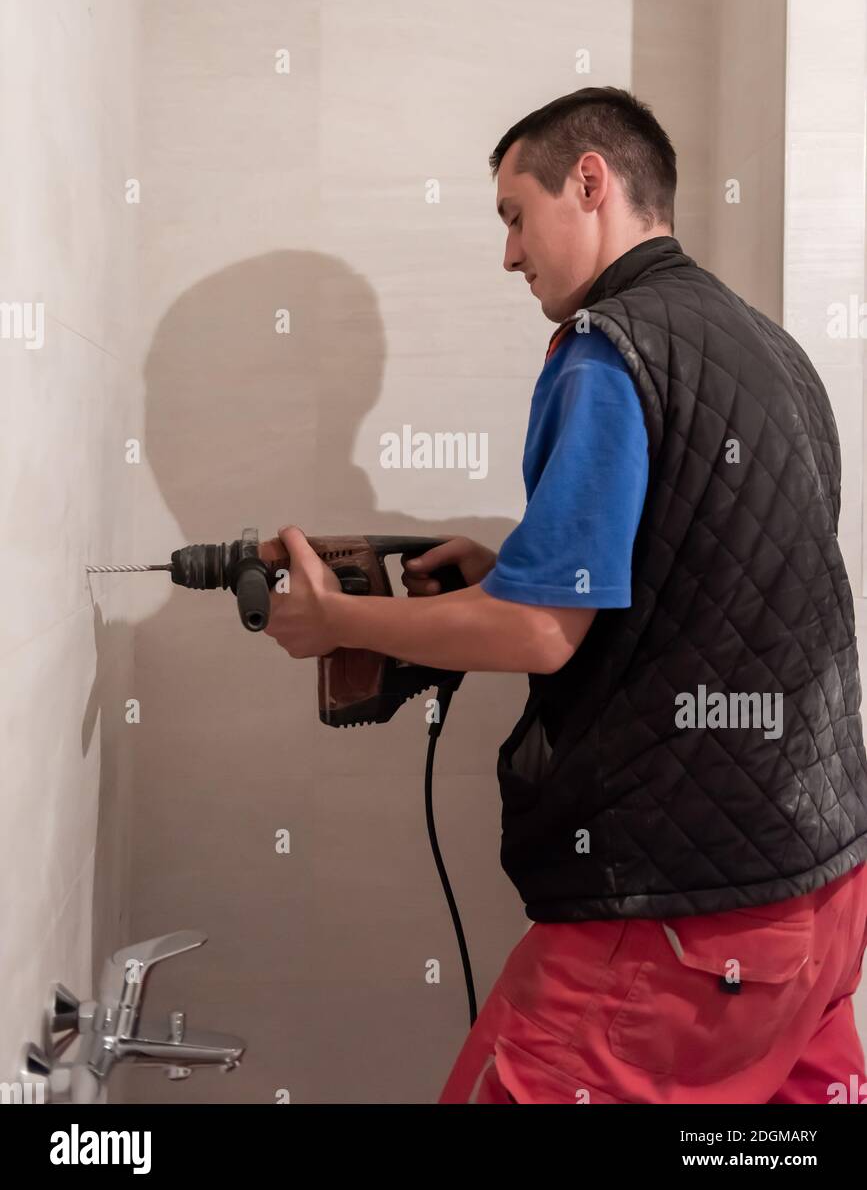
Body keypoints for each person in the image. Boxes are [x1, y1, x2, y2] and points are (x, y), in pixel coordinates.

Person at [261, 87, 867, 1103]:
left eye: (512, 213)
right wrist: (509, 572)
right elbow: (707, 589)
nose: (508, 255)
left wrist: (339, 619)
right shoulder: (775, 350)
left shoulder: (606, 349)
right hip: (824, 891)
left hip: (675, 915)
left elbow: (545, 635)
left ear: (590, 181)